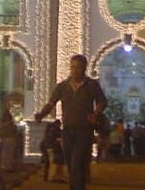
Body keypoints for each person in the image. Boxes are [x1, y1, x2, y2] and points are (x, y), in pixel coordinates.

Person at [35, 54, 107, 190]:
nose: (75, 70)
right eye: (72, 67)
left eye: (79, 67)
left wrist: (95, 114)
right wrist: (41, 115)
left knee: (77, 162)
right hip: (67, 130)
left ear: (84, 68)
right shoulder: (62, 86)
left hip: (84, 130)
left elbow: (102, 101)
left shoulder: (91, 85)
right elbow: (51, 103)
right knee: (70, 164)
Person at [0, 109, 18, 173]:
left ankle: (6, 166)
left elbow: (2, 133)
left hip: (6, 139)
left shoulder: (3, 125)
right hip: (11, 139)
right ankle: (8, 166)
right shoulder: (12, 125)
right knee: (9, 154)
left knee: (5, 153)